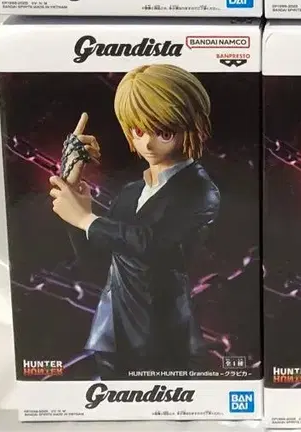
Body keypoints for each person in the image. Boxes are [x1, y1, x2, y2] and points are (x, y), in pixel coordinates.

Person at [48, 64, 220, 379]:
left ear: (192, 126)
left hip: (162, 342)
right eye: (139, 131)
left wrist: (86, 218)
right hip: (110, 335)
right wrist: (74, 197)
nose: (148, 144)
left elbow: (151, 243)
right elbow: (97, 259)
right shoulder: (130, 193)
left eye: (164, 132)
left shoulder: (199, 190)